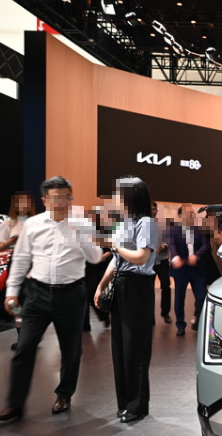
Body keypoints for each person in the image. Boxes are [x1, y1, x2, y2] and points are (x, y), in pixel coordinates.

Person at [0, 177, 102, 423]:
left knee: (71, 350)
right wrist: (12, 291)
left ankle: (64, 394)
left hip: (71, 294)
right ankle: (14, 404)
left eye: (67, 197)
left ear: (71, 198)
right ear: (45, 200)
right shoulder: (33, 224)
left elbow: (96, 257)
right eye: (56, 198)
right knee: (24, 347)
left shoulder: (82, 223)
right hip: (37, 294)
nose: (62, 202)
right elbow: (21, 259)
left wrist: (80, 234)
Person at [94, 176, 157, 423]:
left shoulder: (146, 223)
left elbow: (141, 257)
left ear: (131, 197)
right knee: (119, 348)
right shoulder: (123, 223)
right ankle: (124, 403)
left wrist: (116, 247)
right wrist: (101, 285)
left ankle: (137, 406)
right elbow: (116, 260)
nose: (116, 199)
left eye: (119, 195)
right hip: (120, 284)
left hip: (138, 287)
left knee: (135, 349)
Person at [0, 192, 36, 350]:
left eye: (26, 202)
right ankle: (22, 336)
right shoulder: (8, 223)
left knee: (32, 303)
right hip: (16, 264)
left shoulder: (36, 222)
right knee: (15, 303)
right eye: (20, 202)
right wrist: (10, 242)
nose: (23, 205)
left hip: (35, 264)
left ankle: (30, 335)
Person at [168, 203, 209, 336]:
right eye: (188, 213)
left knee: (202, 296)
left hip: (197, 268)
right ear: (180, 215)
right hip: (181, 268)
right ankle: (180, 325)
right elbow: (171, 244)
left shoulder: (200, 229)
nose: (191, 215)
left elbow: (205, 245)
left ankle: (197, 319)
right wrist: (175, 257)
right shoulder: (173, 230)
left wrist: (196, 255)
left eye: (192, 213)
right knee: (180, 298)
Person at [151, 201, 172, 324]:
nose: (153, 211)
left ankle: (165, 313)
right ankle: (150, 316)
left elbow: (168, 240)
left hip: (163, 260)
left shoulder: (162, 224)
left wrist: (164, 245)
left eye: (155, 209)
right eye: (151, 209)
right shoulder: (143, 224)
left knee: (166, 286)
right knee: (149, 289)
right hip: (149, 262)